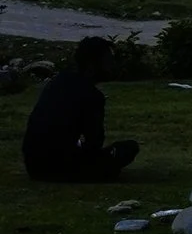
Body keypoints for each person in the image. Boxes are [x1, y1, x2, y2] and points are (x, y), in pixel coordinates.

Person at [21, 37, 137, 183]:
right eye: (108, 62)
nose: (112, 66)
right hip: (61, 168)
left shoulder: (58, 82)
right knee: (128, 148)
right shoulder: (91, 95)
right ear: (93, 65)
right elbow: (94, 142)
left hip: (34, 166)